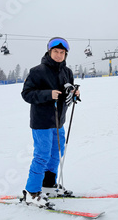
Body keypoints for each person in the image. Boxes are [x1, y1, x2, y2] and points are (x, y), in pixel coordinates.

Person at [21, 37, 80, 208]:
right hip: (42, 122)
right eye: (56, 52)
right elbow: (26, 94)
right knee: (42, 155)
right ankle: (31, 192)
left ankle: (48, 185)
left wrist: (74, 93)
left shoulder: (67, 71)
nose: (59, 55)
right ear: (49, 51)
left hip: (59, 121)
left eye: (62, 53)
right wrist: (48, 94)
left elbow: (68, 89)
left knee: (56, 154)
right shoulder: (37, 71)